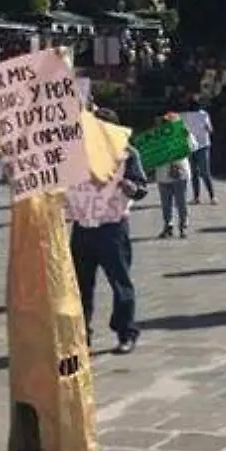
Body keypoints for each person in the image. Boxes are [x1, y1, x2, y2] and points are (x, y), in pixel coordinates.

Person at [73, 109, 149, 354]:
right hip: (83, 226)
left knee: (120, 282)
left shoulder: (127, 154)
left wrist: (130, 187)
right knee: (79, 286)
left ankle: (126, 332)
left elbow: (141, 187)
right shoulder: (77, 153)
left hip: (112, 226)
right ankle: (81, 335)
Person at [156, 118, 192, 240]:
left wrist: (187, 136)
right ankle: (168, 226)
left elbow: (193, 147)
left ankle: (183, 226)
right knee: (166, 203)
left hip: (180, 172)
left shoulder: (183, 133)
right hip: (163, 174)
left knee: (181, 202)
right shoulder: (157, 137)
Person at [182, 96, 216, 205]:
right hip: (201, 145)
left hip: (193, 146)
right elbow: (209, 129)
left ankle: (198, 197)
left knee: (196, 173)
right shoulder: (203, 114)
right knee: (204, 172)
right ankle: (211, 197)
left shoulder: (185, 115)